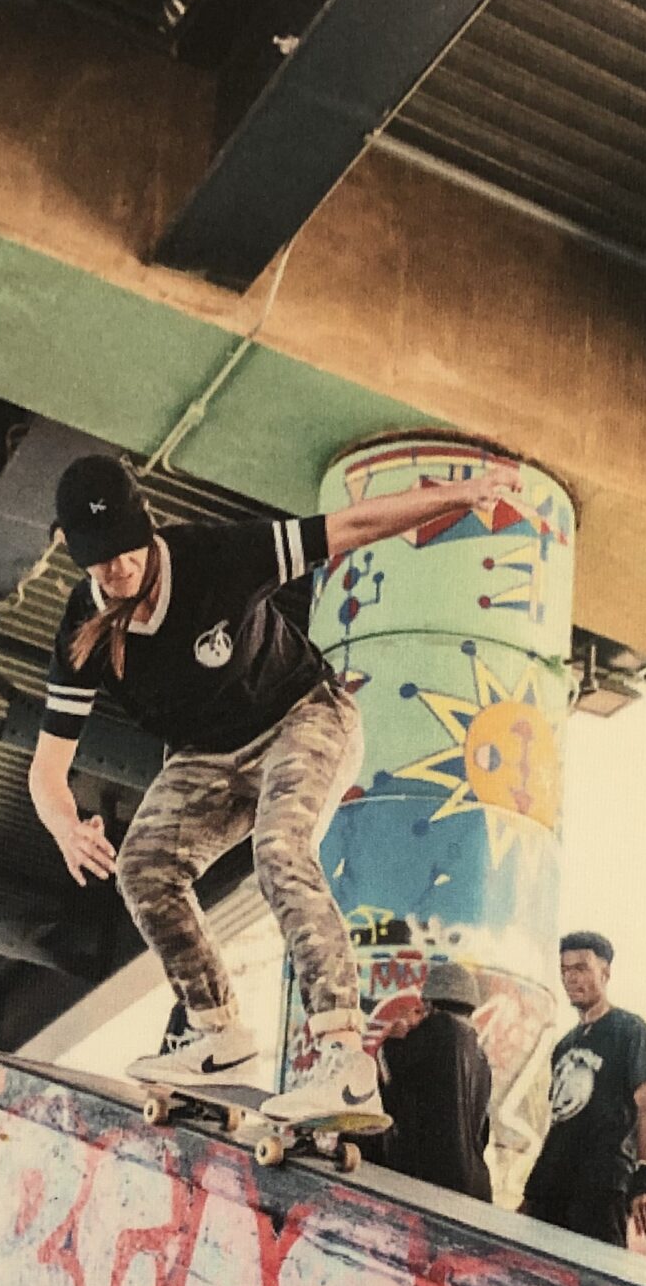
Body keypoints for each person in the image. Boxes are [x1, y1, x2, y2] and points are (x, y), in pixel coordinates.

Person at [29, 454, 523, 1126]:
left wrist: (460, 496)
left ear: (146, 526)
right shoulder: (79, 633)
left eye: (125, 552)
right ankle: (220, 1036)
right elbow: (47, 769)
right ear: (71, 550)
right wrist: (64, 825)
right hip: (208, 757)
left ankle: (344, 1061)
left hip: (305, 716)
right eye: (98, 561)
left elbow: (354, 523)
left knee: (281, 849)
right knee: (143, 869)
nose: (116, 571)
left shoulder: (215, 556)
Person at [520, 932, 646, 1252]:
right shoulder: (564, 1045)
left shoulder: (630, 1030)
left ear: (605, 972)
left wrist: (643, 1178)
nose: (571, 978)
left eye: (581, 968)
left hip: (601, 1183)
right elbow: (559, 1119)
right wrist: (533, 1190)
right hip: (551, 1184)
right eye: (565, 970)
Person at [363, 960, 494, 1201]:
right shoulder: (481, 1057)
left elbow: (389, 1090)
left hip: (430, 1187)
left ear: (430, 1004)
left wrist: (393, 1038)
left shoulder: (437, 1029)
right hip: (475, 1189)